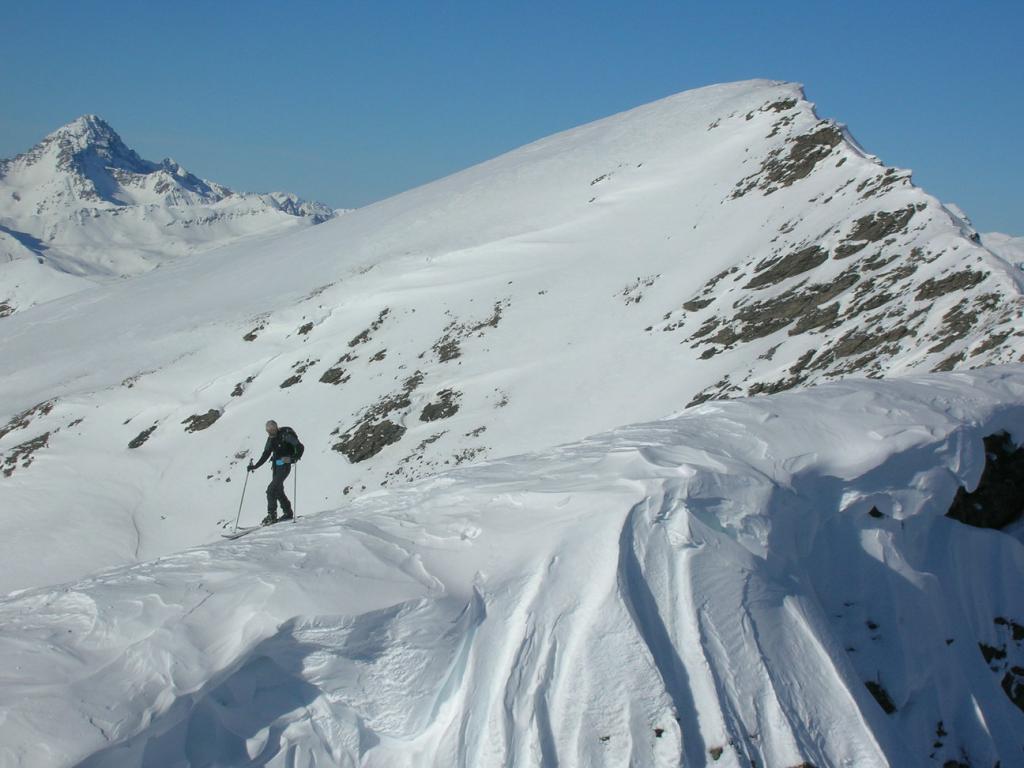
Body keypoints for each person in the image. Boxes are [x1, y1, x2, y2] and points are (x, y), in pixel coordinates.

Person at [247, 420, 304, 525]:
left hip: (285, 464)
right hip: (276, 466)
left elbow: (300, 446)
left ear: (276, 428)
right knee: (278, 490)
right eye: (268, 431)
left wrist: (295, 457)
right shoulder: (271, 439)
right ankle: (287, 512)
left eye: (272, 430)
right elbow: (266, 454)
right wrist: (255, 466)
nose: (270, 432)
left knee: (271, 490)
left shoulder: (285, 435)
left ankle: (272, 515)